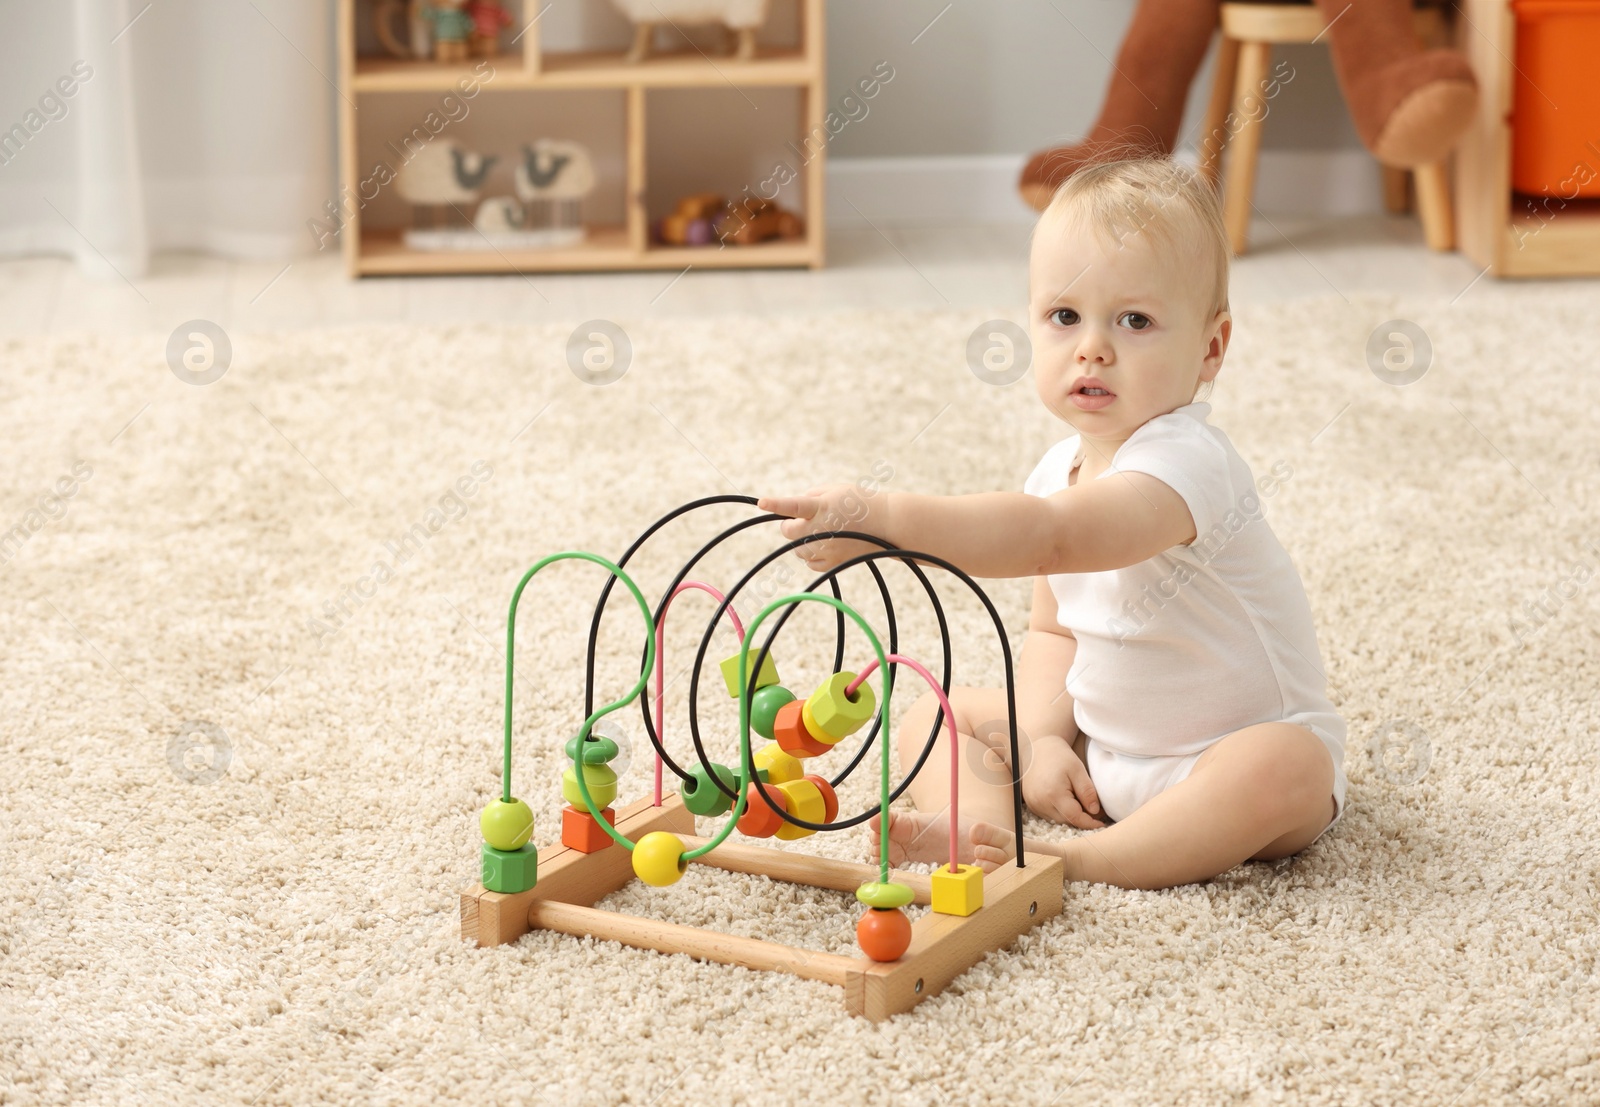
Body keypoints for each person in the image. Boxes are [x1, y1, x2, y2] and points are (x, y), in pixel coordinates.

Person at [756, 156, 1347, 890]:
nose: (1092, 346)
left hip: (1223, 763)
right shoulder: (1055, 470)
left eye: (1134, 320)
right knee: (934, 714)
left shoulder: (1190, 466)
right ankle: (987, 841)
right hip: (1106, 755)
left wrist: (887, 518)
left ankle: (1077, 861)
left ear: (1210, 349)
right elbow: (1054, 633)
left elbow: (1053, 535)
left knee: (1288, 763)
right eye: (1065, 316)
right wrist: (1036, 744)